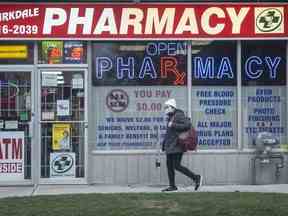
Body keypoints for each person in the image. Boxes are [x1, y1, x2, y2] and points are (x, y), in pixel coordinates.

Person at [161, 98, 202, 192]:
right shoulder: (170, 116)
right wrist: (164, 144)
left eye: (167, 107)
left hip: (177, 146)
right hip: (170, 146)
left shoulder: (178, 115)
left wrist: (173, 124)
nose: (165, 109)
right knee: (169, 166)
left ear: (172, 107)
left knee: (176, 165)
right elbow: (169, 133)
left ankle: (196, 177)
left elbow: (187, 125)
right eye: (165, 107)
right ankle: (172, 186)